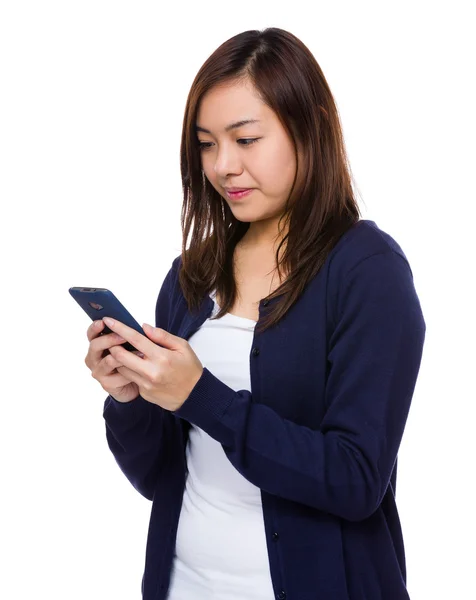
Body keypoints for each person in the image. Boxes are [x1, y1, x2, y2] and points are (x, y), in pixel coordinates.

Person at [84, 27, 426, 600]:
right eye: (206, 143)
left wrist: (201, 396)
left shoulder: (368, 269)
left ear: (309, 126)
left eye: (246, 139)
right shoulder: (192, 274)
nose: (222, 167)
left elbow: (355, 479)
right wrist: (129, 399)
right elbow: (161, 479)